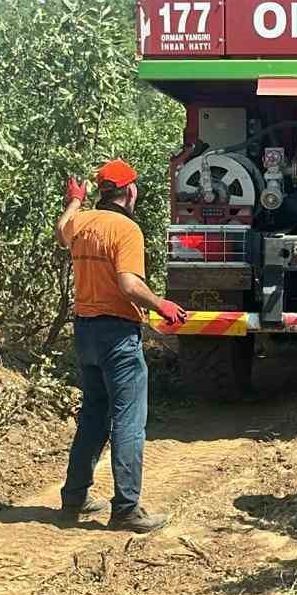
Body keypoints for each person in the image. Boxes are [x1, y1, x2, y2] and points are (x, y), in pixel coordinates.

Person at [55, 159, 184, 534]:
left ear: (100, 192)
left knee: (93, 415)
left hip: (85, 333)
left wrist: (75, 201)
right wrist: (162, 305)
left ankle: (74, 498)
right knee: (128, 420)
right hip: (117, 335)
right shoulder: (126, 229)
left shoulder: (82, 222)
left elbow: (63, 231)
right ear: (130, 191)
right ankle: (126, 508)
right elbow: (129, 285)